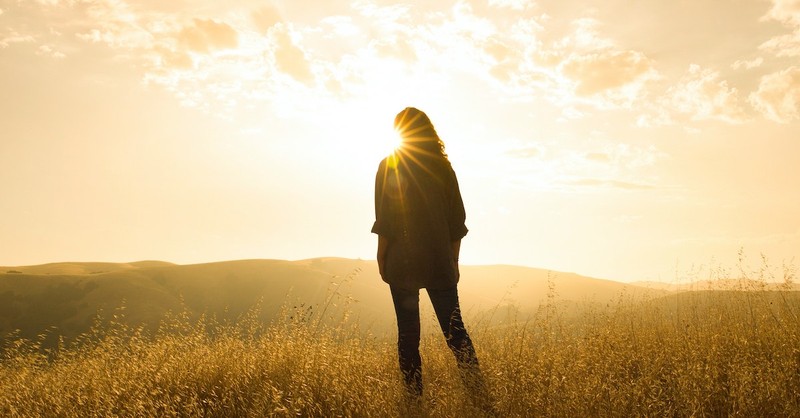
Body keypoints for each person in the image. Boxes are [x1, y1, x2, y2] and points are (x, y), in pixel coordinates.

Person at [372, 107, 490, 404]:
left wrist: (381, 257)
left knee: (408, 335)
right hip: (439, 261)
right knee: (456, 333)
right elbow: (456, 223)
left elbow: (385, 219)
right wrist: (453, 262)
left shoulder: (389, 165)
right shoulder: (443, 169)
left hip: (403, 262)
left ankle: (414, 401)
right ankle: (478, 395)